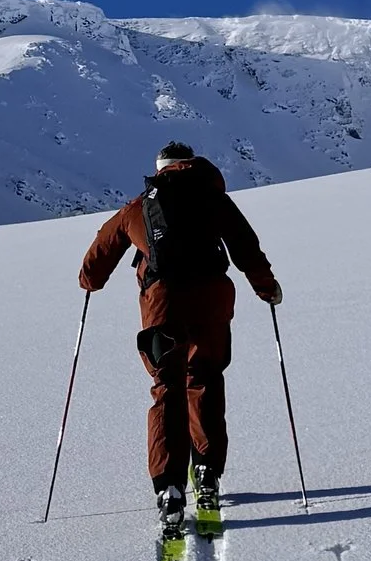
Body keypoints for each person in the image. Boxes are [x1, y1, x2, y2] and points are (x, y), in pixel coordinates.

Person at [79, 141, 282, 540]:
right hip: (212, 299)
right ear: (192, 163)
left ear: (160, 169)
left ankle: (169, 488)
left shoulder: (139, 206)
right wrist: (266, 287)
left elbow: (99, 255)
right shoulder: (214, 199)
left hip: (162, 304)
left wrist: (90, 282)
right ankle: (206, 472)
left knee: (166, 386)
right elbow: (245, 247)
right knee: (205, 377)